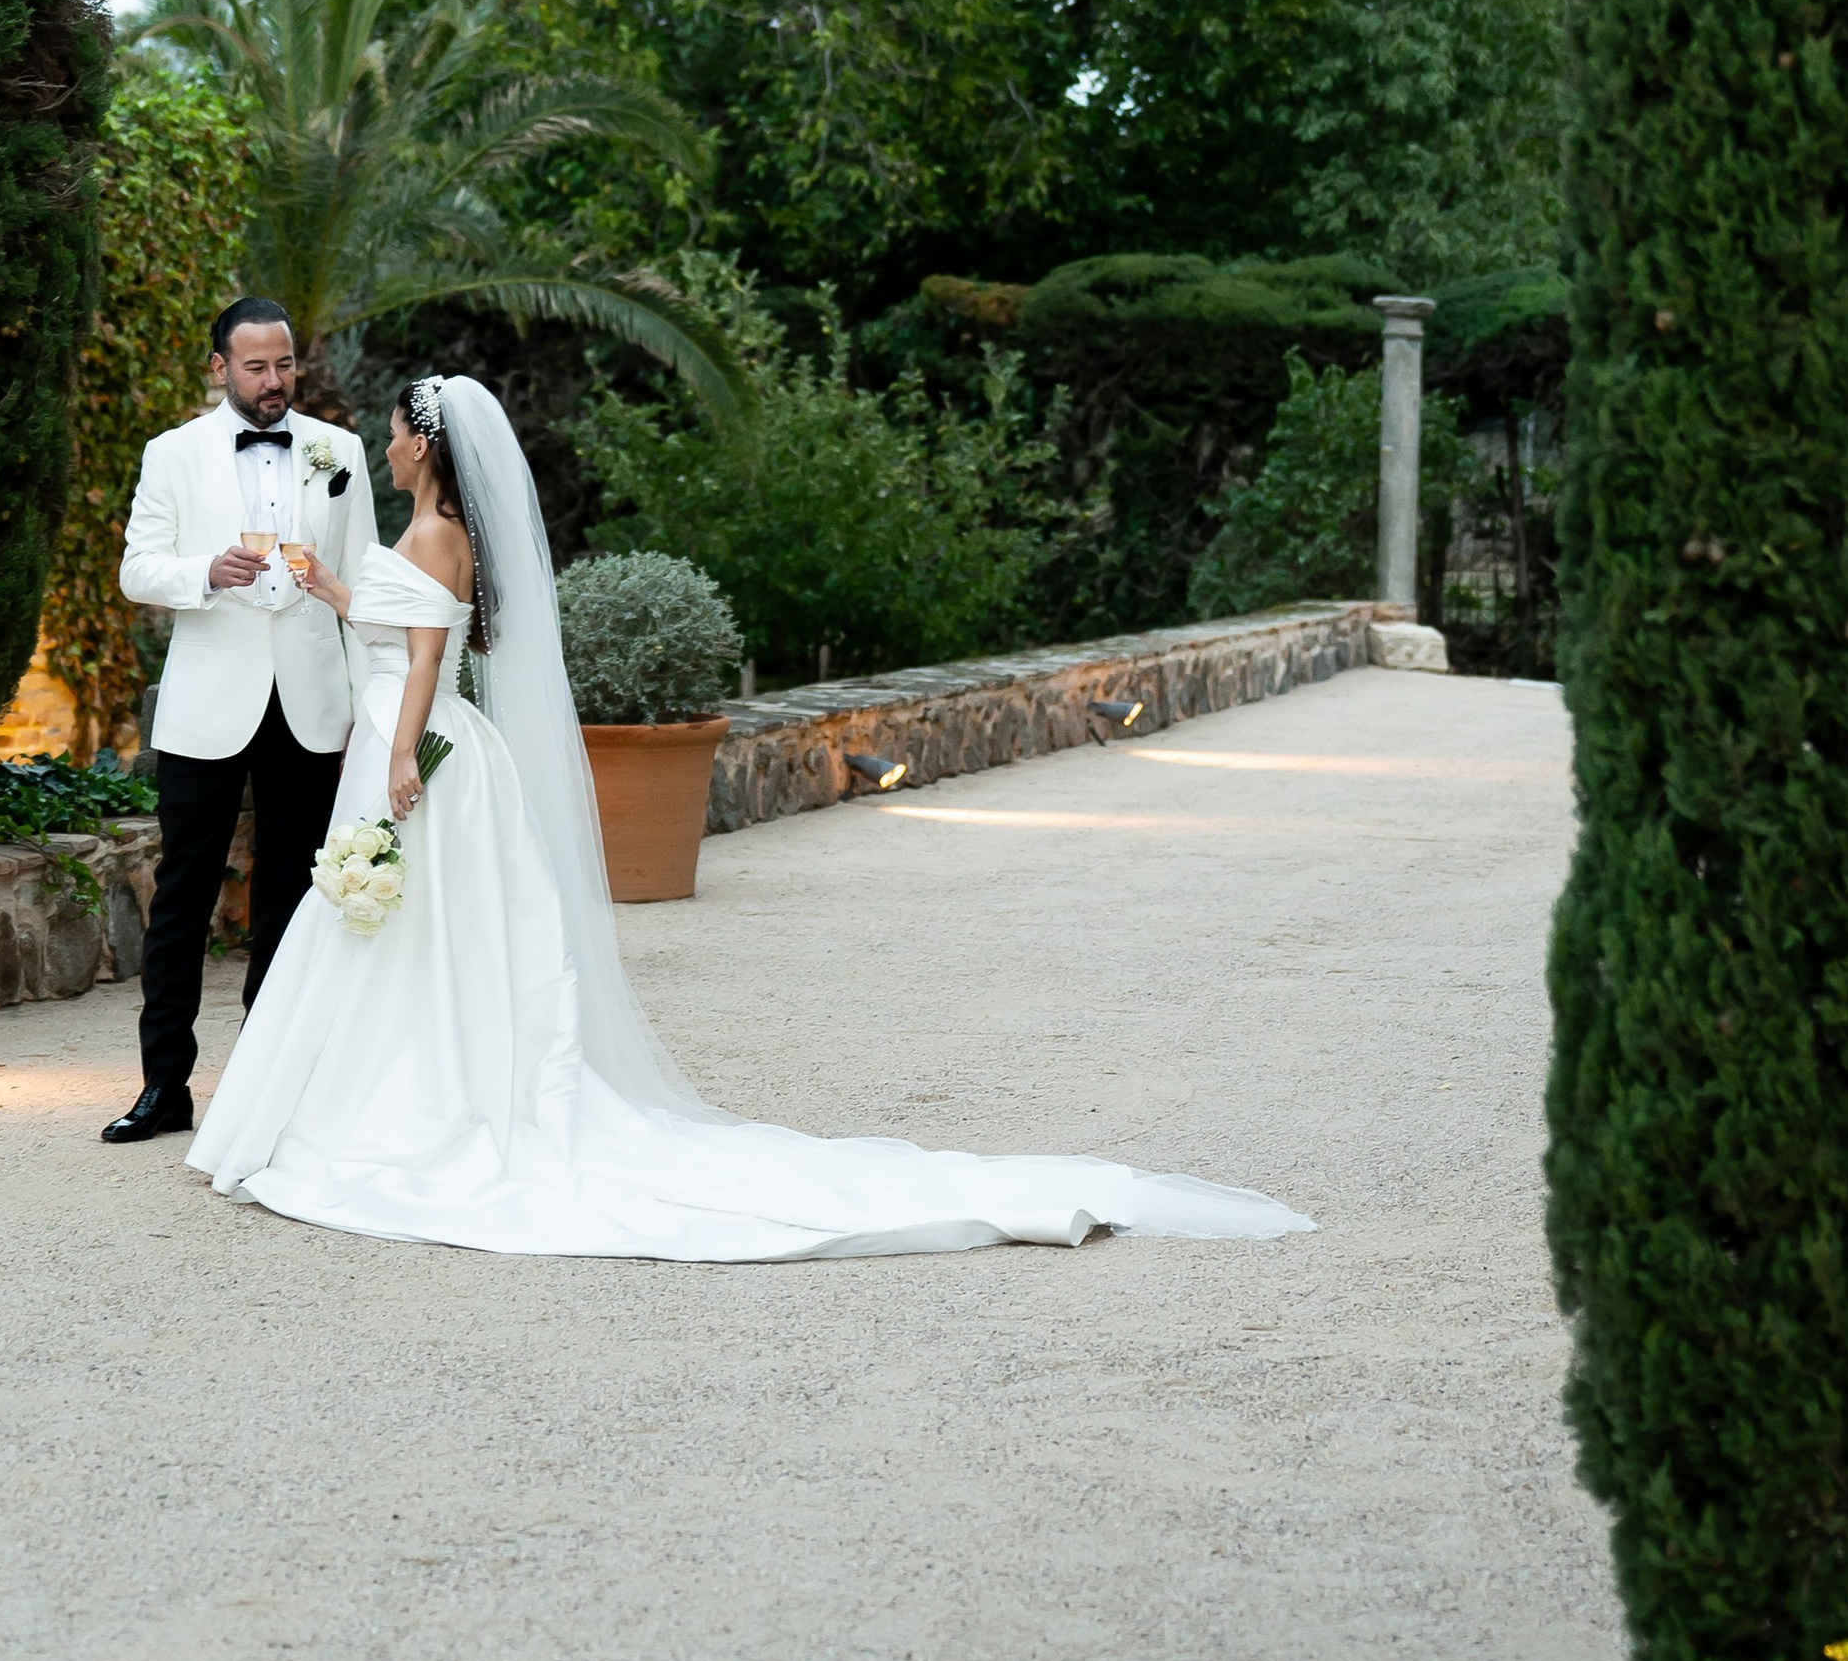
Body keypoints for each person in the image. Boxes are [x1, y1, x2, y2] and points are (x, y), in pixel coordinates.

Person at [190, 371, 1310, 1260]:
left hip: (415, 748)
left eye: (392, 430)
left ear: (422, 445)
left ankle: (399, 1105)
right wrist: (335, 591)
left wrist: (397, 757)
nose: (383, 443)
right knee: (402, 927)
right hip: (414, 739)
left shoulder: (436, 533)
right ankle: (367, 1092)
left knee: (406, 925)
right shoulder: (428, 536)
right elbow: (399, 620)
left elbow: (428, 652)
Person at [98, 297, 378, 1144]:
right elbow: (136, 570)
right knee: (182, 897)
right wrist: (203, 572)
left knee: (291, 896)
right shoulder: (171, 453)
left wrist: (374, 708)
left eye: (284, 364)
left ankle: (269, 1084)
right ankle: (164, 1089)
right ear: (220, 367)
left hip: (310, 704)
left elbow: (361, 583)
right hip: (207, 708)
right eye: (255, 367)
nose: (273, 381)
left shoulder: (343, 453)